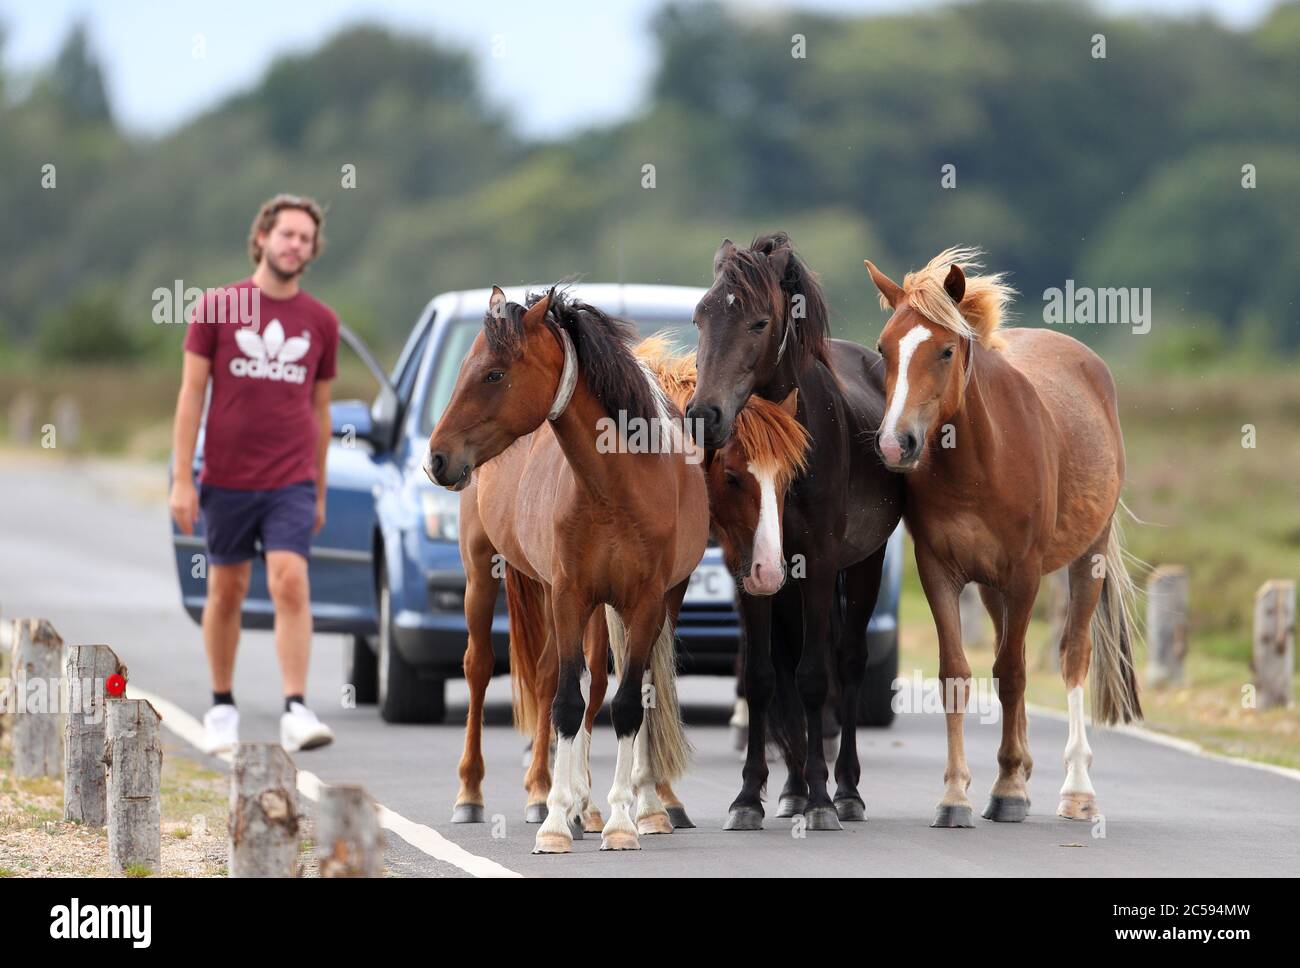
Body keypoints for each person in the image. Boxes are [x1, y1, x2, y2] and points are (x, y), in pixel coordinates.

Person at [168, 193, 339, 754]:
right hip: (225, 477)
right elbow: (192, 394)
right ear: (263, 237)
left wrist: (316, 486)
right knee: (226, 589)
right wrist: (182, 478)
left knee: (290, 579)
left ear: (313, 251)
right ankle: (221, 705)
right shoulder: (217, 308)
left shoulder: (321, 322)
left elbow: (320, 411)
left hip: (290, 479)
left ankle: (296, 707)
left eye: (305, 238)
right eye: (286, 234)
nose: (294, 245)